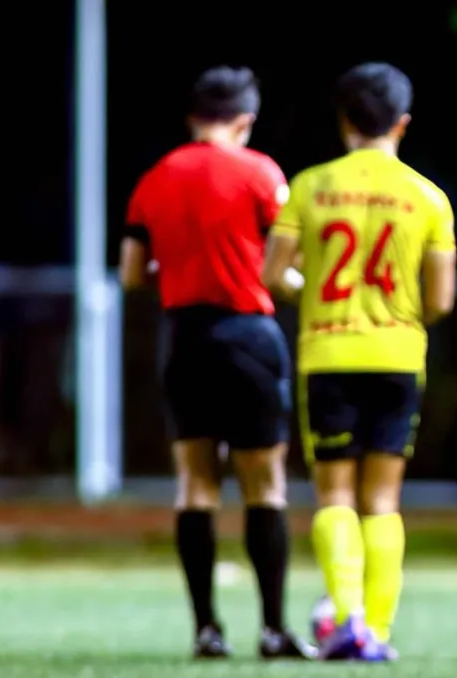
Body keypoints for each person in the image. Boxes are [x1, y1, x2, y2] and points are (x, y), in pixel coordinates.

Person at [262, 62, 457, 662]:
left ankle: (345, 620)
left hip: (328, 354)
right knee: (382, 500)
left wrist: (308, 288)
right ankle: (378, 628)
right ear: (403, 123)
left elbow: (274, 274)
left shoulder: (310, 186)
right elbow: (440, 300)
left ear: (344, 119)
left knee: (335, 495)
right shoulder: (428, 196)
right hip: (397, 354)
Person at [119, 66, 313, 661]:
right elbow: (285, 267)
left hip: (184, 338)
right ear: (245, 120)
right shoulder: (261, 173)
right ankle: (274, 629)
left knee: (196, 483)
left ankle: (206, 629)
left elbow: (131, 274)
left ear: (193, 118)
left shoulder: (155, 177)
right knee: (265, 483)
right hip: (248, 336)